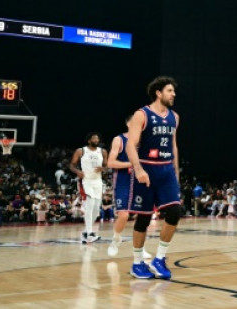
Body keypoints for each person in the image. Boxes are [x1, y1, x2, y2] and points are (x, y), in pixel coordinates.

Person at [125, 76, 182, 280]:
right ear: (158, 93)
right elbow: (130, 145)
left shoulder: (174, 117)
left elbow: (173, 145)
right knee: (144, 217)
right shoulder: (141, 115)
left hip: (166, 170)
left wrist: (176, 171)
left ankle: (159, 258)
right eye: (169, 90)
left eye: (173, 91)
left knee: (175, 211)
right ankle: (137, 262)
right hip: (146, 169)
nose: (173, 94)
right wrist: (138, 169)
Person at [106, 117, 153, 259]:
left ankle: (140, 247)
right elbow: (110, 162)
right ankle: (116, 239)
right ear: (128, 123)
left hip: (140, 181)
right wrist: (132, 164)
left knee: (143, 216)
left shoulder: (145, 141)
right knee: (124, 215)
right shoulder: (119, 139)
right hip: (123, 182)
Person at [70, 132, 107, 244]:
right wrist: (77, 171)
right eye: (94, 138)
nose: (96, 140)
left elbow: (106, 165)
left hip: (98, 181)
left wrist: (103, 168)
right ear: (89, 140)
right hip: (86, 181)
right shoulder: (81, 151)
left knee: (96, 209)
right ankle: (90, 234)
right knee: (89, 205)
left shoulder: (103, 151)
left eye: (97, 138)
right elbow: (71, 165)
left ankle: (86, 232)